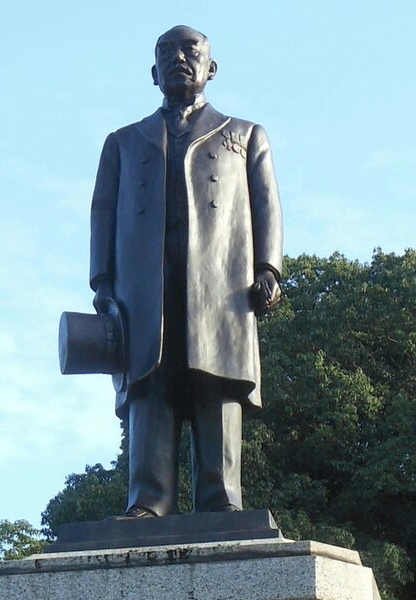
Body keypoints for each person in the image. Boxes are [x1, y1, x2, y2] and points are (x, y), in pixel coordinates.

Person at [90, 25, 283, 517]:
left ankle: (221, 498)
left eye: (190, 50)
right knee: (150, 385)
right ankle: (148, 500)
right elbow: (102, 214)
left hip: (220, 284)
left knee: (216, 382)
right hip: (144, 287)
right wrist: (103, 285)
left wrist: (268, 268)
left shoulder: (243, 135)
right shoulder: (123, 142)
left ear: (210, 68)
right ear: (153, 73)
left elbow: (267, 206)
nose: (178, 58)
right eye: (166, 53)